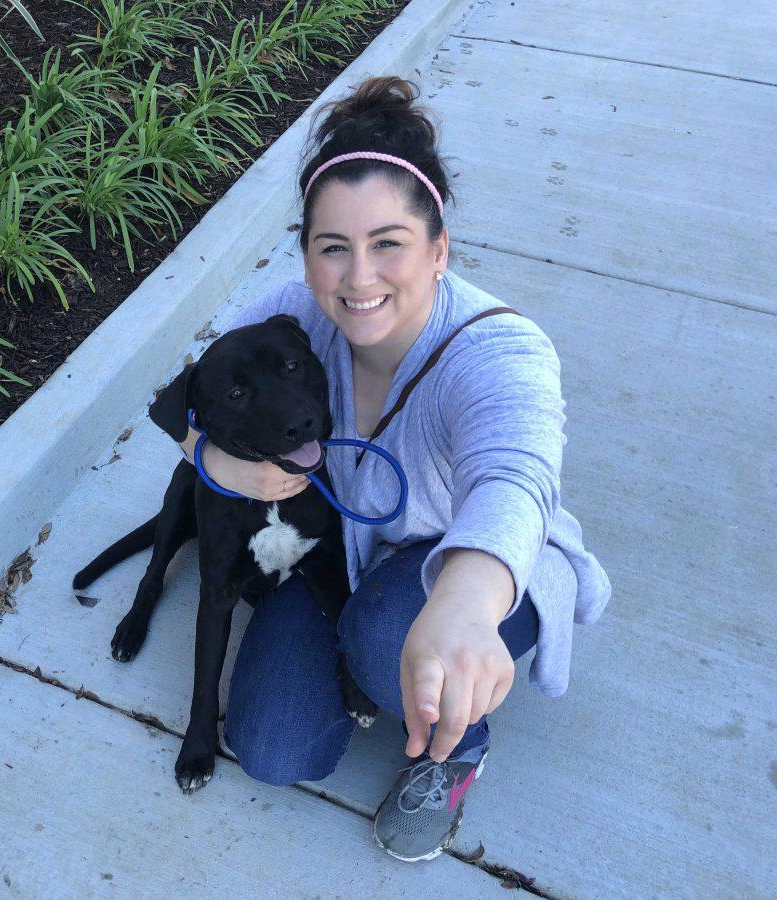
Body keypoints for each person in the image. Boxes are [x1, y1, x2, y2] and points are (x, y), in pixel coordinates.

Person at [169, 76, 611, 862]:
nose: (359, 278)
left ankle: (459, 747)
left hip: (473, 568)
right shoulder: (293, 317)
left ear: (439, 248)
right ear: (305, 257)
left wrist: (469, 598)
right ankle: (376, 659)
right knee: (270, 749)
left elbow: (515, 475)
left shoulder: (498, 349)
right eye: (332, 248)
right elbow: (187, 398)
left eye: (389, 245)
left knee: (384, 634)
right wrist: (212, 459)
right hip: (341, 558)